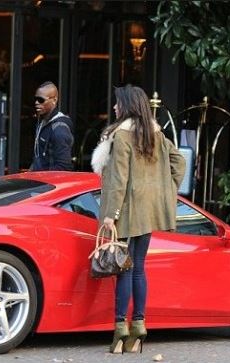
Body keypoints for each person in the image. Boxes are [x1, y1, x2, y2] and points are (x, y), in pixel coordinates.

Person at [91, 84, 186, 354]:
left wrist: (111, 215)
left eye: (117, 103)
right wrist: (164, 191)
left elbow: (119, 179)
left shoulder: (121, 136)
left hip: (126, 211)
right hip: (148, 211)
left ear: (127, 106)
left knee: (124, 269)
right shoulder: (155, 135)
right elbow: (179, 163)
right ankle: (139, 325)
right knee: (139, 267)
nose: (114, 108)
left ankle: (120, 329)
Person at [29, 81, 74, 171]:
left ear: (54, 100)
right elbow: (39, 157)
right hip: (40, 180)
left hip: (50, 183)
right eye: (35, 99)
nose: (36, 103)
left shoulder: (59, 129)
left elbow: (63, 167)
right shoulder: (41, 122)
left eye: (41, 100)